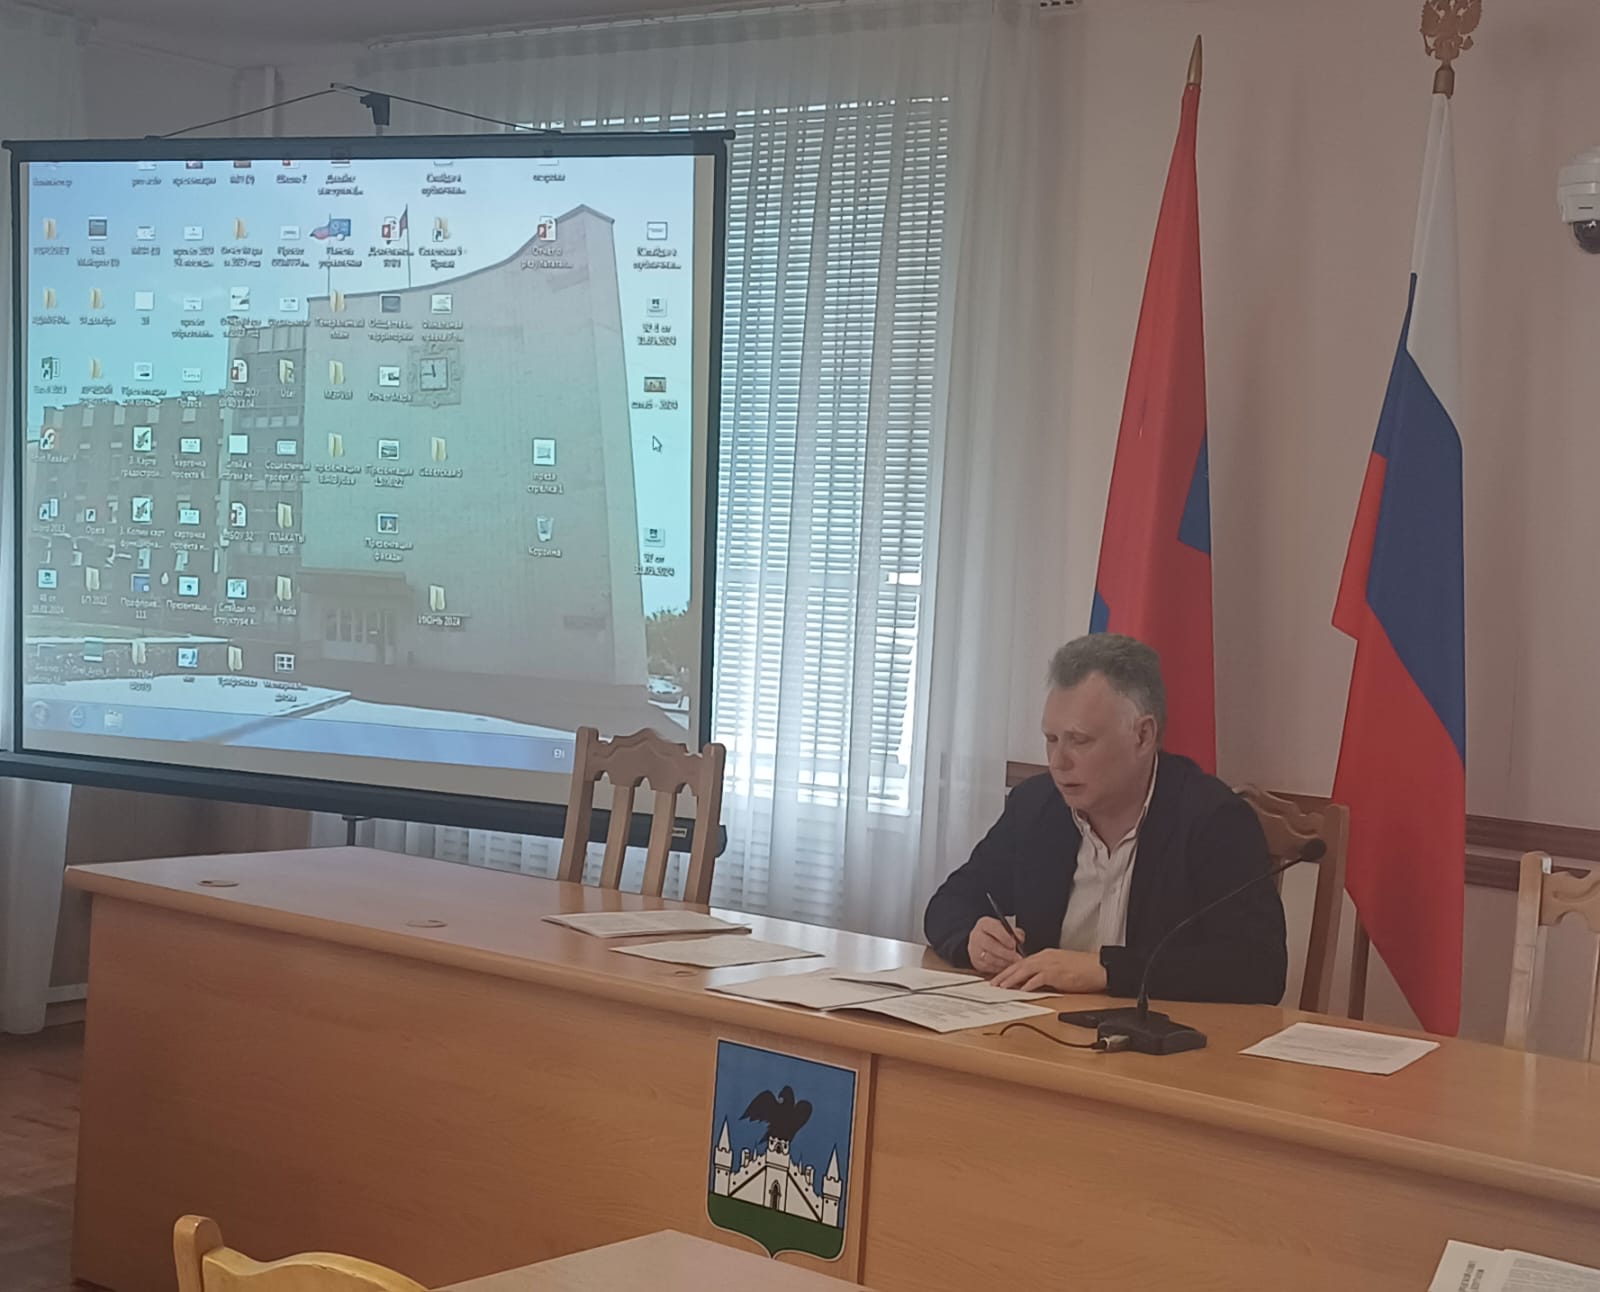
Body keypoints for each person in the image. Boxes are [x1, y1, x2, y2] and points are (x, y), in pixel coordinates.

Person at [923, 634, 1287, 1003]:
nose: (1058, 762)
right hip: (1042, 1025)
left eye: (1079, 740)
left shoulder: (1214, 821)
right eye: (1051, 739)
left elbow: (1258, 968)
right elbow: (949, 903)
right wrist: (972, 938)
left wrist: (1106, 970)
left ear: (1143, 736)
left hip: (1160, 1033)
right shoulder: (1036, 806)